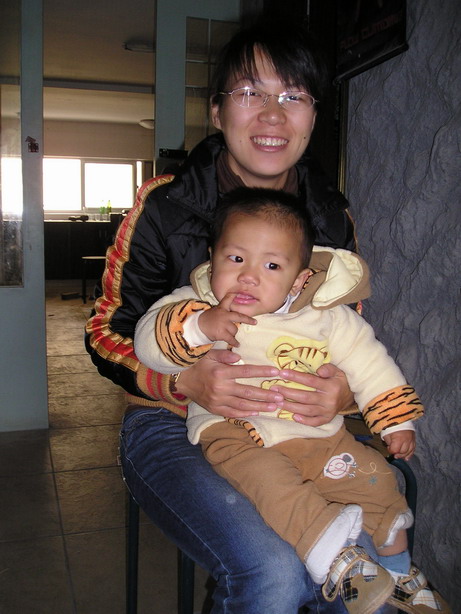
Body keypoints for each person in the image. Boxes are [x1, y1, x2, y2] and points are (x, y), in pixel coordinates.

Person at [86, 16, 376, 613]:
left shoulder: (330, 217)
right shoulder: (164, 206)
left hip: (295, 424)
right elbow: (105, 331)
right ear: (217, 111)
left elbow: (350, 334)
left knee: (363, 559)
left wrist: (344, 391)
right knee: (275, 573)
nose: (272, 115)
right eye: (250, 92)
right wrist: (181, 381)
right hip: (168, 422)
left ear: (313, 115)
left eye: (293, 96)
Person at [134, 187, 449, 614]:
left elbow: (371, 363)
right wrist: (198, 328)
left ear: (300, 278)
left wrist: (395, 421)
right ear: (212, 258)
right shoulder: (199, 305)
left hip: (320, 438)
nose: (249, 276)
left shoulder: (327, 318)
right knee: (271, 484)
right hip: (239, 433)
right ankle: (332, 553)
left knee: (378, 478)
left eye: (271, 265)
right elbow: (147, 343)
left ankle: (397, 572)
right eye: (235, 258)